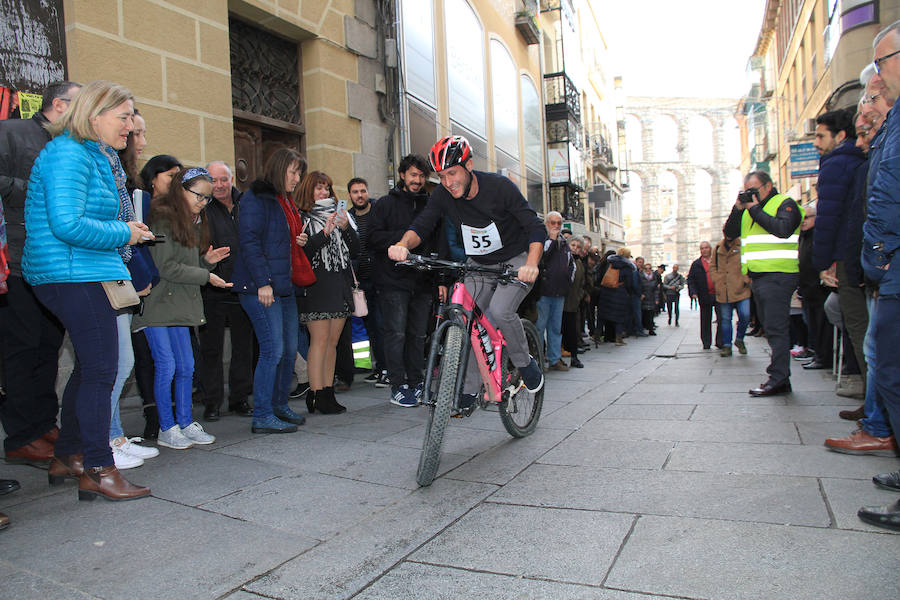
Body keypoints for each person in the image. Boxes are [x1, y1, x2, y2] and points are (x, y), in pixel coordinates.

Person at [23, 80, 151, 501]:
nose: (131, 126)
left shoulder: (93, 155)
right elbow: (67, 224)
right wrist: (125, 231)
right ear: (94, 114)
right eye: (124, 116)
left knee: (90, 366)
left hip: (86, 269)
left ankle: (67, 455)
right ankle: (98, 467)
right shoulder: (69, 153)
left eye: (132, 117)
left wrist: (124, 233)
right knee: (102, 368)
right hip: (71, 271)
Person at [387, 135, 546, 410]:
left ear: (468, 165)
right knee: (467, 317)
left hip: (516, 258)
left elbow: (535, 227)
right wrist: (402, 245)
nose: (448, 182)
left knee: (499, 310)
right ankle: (471, 388)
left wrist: (531, 263)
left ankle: (524, 362)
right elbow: (422, 225)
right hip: (480, 264)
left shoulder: (499, 187)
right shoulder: (443, 195)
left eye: (452, 173)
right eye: (441, 176)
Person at [0, 80, 80, 464]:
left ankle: (43, 423)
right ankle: (21, 435)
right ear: (61, 106)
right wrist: (32, 188)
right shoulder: (11, 132)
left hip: (51, 265)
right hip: (14, 264)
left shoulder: (67, 146)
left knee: (49, 347)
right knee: (23, 349)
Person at [134, 167, 230, 448]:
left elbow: (186, 266)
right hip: (158, 304)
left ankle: (185, 422)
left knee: (186, 366)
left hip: (178, 303)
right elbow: (166, 267)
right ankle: (167, 427)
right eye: (198, 195)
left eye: (206, 198)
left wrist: (207, 262)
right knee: (167, 365)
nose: (202, 202)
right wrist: (205, 274)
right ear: (181, 190)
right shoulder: (163, 219)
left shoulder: (191, 222)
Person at [856, 22, 900, 530]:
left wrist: (880, 255)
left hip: (893, 266)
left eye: (882, 65)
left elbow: (888, 199)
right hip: (888, 265)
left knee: (890, 370)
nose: (877, 84)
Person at [232, 149, 307, 432]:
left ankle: (278, 405)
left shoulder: (284, 201)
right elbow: (249, 241)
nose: (297, 178)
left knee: (289, 351)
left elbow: (278, 241)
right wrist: (263, 282)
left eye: (299, 173)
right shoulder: (256, 198)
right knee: (272, 351)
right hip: (260, 287)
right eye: (293, 172)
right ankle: (262, 415)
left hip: (283, 287)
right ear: (278, 169)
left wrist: (298, 239)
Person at [104, 106, 159, 469]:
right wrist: (130, 236)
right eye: (132, 131)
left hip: (117, 271)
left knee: (119, 363)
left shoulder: (122, 175)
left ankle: (114, 436)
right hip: (101, 273)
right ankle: (104, 441)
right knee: (110, 364)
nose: (137, 140)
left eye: (137, 132)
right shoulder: (101, 165)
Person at [723, 171, 803, 397]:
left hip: (778, 274)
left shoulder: (784, 203)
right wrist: (738, 208)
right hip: (759, 277)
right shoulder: (749, 210)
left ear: (768, 187)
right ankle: (781, 378)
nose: (750, 194)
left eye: (754, 189)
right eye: (746, 189)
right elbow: (730, 233)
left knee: (777, 328)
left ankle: (777, 378)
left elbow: (782, 229)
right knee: (771, 327)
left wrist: (754, 208)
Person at [369, 155, 439, 406]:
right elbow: (373, 238)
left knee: (418, 335)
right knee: (395, 334)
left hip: (422, 282)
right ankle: (397, 386)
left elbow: (437, 241)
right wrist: (408, 237)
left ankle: (417, 381)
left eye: (421, 176)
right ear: (402, 175)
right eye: (413, 175)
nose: (417, 180)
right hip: (392, 281)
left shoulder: (431, 205)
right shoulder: (385, 204)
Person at [811, 109, 868, 392]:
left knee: (858, 328)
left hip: (847, 256)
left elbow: (828, 217)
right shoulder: (858, 160)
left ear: (840, 135)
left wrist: (823, 262)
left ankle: (876, 413)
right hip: (858, 251)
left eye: (821, 136)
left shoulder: (835, 164)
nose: (816, 142)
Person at [296, 170, 360, 414]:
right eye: (319, 188)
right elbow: (304, 254)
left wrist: (344, 228)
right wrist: (325, 232)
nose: (324, 193)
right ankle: (315, 393)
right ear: (308, 191)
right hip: (317, 284)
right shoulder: (304, 218)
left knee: (333, 342)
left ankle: (327, 392)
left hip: (340, 282)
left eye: (327, 188)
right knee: (319, 341)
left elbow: (355, 251)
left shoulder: (342, 216)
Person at [198, 161, 254, 421]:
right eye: (214, 180)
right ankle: (212, 402)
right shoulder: (202, 209)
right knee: (212, 349)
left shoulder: (248, 204)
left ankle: (239, 398)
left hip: (244, 287)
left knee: (244, 347)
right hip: (213, 288)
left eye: (224, 179)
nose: (219, 185)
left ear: (232, 180)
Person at [133, 154, 183, 438]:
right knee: (146, 357)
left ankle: (174, 414)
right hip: (146, 291)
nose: (175, 182)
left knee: (176, 361)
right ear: (153, 177)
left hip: (173, 294)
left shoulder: (176, 210)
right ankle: (153, 413)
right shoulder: (141, 206)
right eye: (170, 176)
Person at [347, 177, 386, 388]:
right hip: (356, 282)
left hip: (377, 279)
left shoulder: (377, 213)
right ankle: (364, 365)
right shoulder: (348, 217)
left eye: (362, 190)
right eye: (355, 192)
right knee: (359, 325)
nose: (359, 195)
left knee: (378, 325)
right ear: (350, 195)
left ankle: (383, 367)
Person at [536, 211, 572, 371]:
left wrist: (568, 282)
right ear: (547, 224)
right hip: (544, 291)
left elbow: (571, 265)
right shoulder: (543, 240)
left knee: (555, 328)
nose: (556, 226)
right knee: (539, 327)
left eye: (558, 223)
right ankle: (537, 359)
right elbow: (542, 259)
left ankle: (554, 359)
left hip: (560, 291)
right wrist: (551, 239)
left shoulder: (564, 243)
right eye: (553, 223)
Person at [710, 237, 750, 357]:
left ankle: (739, 338)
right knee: (726, 319)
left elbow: (749, 261)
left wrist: (745, 278)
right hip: (724, 289)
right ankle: (727, 345)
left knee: (745, 315)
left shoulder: (742, 245)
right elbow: (712, 266)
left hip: (741, 288)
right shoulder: (718, 247)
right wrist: (717, 280)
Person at [597, 247, 637, 346]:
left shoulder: (609, 262)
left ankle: (597, 336)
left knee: (602, 315)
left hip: (606, 291)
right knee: (619, 316)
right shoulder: (627, 266)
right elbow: (629, 283)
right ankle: (618, 339)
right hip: (620, 292)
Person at [687, 242, 720, 349]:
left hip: (719, 294)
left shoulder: (718, 261)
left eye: (706, 248)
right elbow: (691, 280)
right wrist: (693, 293)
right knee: (705, 320)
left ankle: (720, 341)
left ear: (710, 249)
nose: (704, 250)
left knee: (722, 318)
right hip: (704, 294)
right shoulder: (696, 264)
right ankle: (706, 342)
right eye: (702, 248)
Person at [562, 236, 587, 367]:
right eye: (573, 245)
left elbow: (582, 283)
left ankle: (574, 357)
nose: (575, 248)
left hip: (573, 303)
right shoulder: (563, 259)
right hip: (561, 301)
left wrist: (579, 296)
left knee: (572, 331)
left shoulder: (579, 263)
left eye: (578, 247)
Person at [639, 262, 660, 336]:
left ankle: (651, 329)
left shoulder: (654, 277)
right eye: (646, 268)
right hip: (643, 298)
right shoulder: (641, 276)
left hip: (651, 298)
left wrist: (657, 299)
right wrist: (640, 294)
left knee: (651, 314)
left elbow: (656, 289)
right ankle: (643, 328)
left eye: (649, 268)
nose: (648, 270)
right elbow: (638, 286)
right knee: (643, 313)